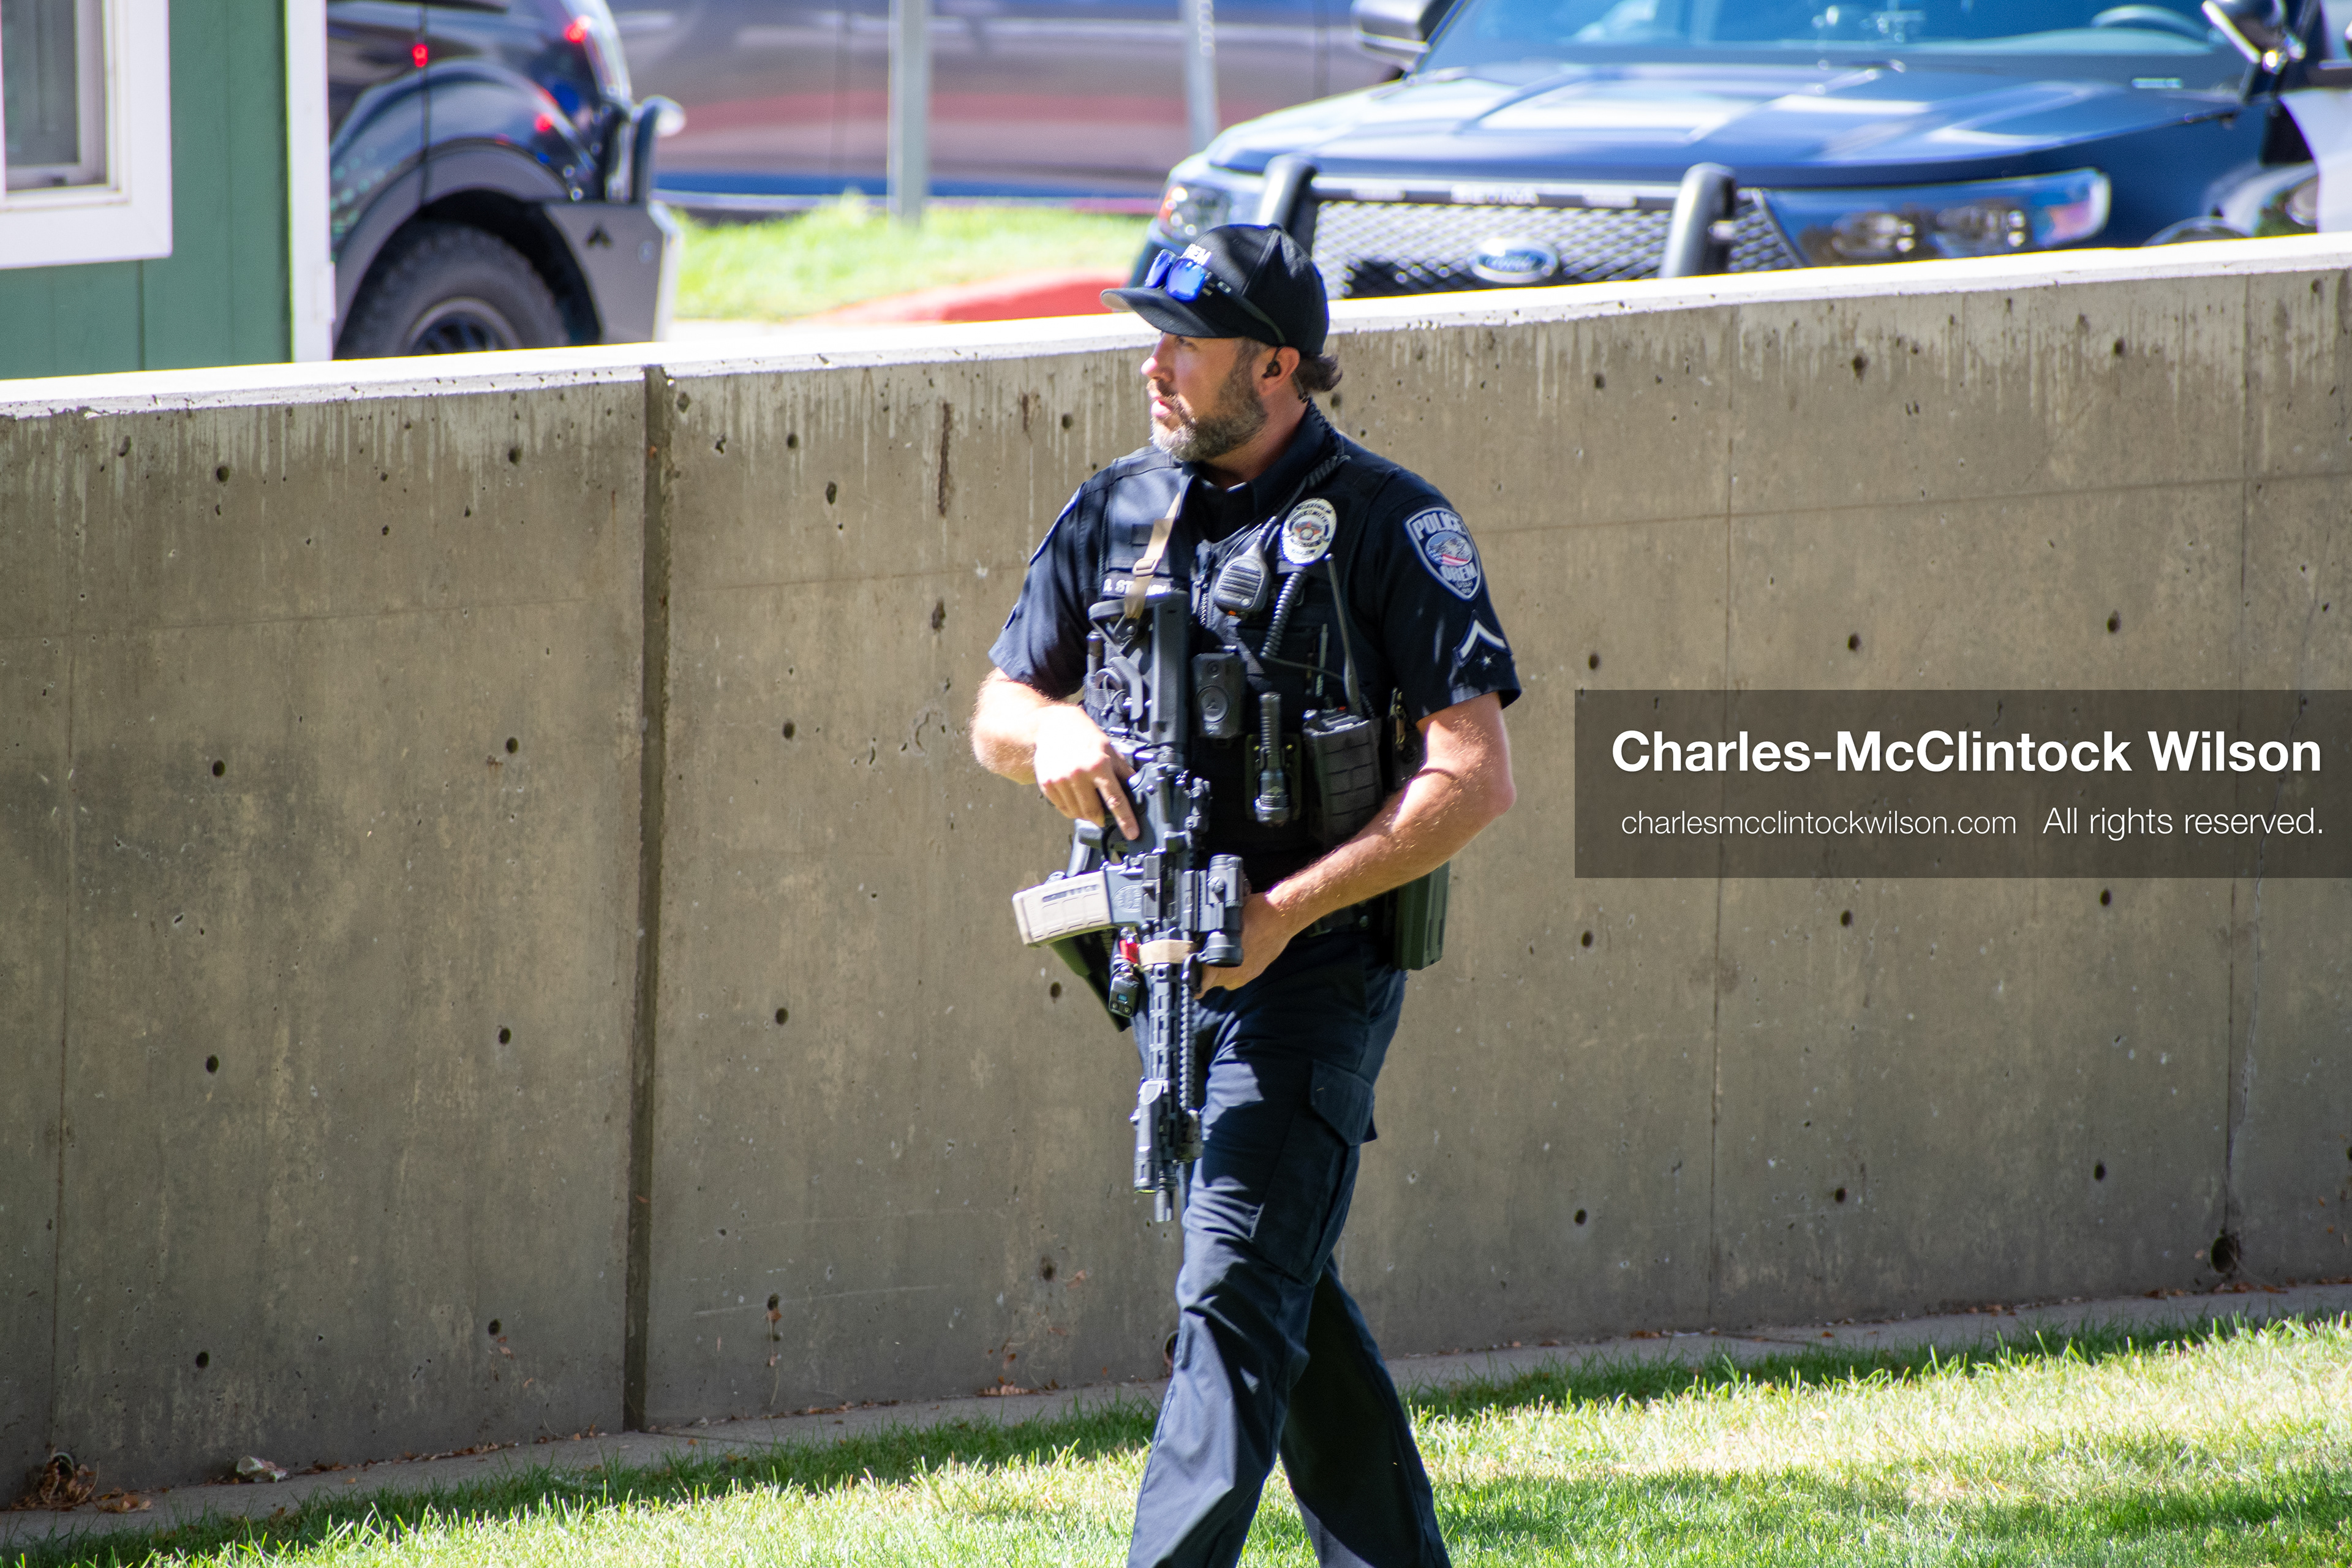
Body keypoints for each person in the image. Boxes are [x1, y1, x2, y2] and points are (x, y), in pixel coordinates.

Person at [968, 224, 1519, 1568]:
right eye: (1149, 336)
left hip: (1313, 970)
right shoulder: (1117, 509)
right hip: (1151, 960)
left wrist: (1285, 910)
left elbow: (1473, 774)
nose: (1153, 365)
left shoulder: (1393, 522)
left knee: (1227, 1285)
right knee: (1281, 1282)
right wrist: (1048, 736)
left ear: (1278, 364)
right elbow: (996, 702)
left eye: (1186, 343)